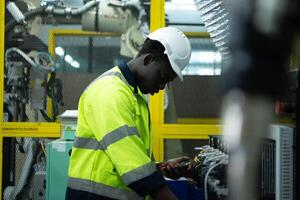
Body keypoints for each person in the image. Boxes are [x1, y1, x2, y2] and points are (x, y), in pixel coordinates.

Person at [65, 27, 193, 200]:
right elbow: (133, 168)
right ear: (148, 60)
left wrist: (159, 168)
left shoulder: (134, 96)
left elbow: (125, 157)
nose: (162, 86)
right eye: (162, 76)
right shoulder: (111, 92)